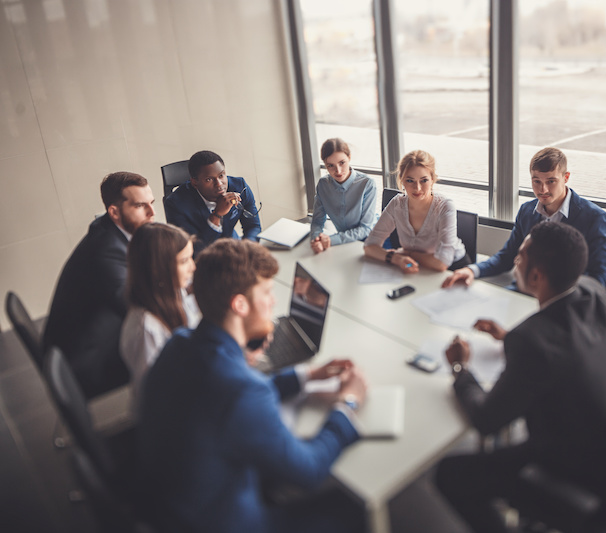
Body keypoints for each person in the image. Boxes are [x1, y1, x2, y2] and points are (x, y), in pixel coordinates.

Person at [137, 238, 367, 533]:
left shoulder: (180, 343)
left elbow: (226, 394)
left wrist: (306, 376)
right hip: (222, 521)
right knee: (352, 509)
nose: (273, 301)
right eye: (268, 292)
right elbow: (309, 471)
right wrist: (347, 404)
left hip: (170, 508)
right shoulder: (242, 389)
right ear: (240, 304)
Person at [435, 222, 606, 533]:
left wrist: (460, 368)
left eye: (520, 257)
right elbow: (567, 350)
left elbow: (486, 420)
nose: (515, 262)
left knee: (449, 474)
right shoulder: (594, 292)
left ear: (536, 276)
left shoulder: (531, 340)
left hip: (577, 472)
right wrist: (508, 338)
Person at [44, 172, 156, 398]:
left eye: (151, 204)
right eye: (140, 206)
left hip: (89, 338)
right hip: (88, 362)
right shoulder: (106, 250)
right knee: (173, 355)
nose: (152, 214)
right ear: (114, 212)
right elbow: (138, 307)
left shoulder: (109, 230)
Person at [442, 146, 606, 290]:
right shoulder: (527, 210)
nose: (543, 189)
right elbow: (507, 256)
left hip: (566, 300)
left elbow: (599, 278)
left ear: (565, 177)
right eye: (536, 181)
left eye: (551, 181)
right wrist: (472, 270)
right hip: (523, 291)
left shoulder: (595, 218)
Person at [119, 223, 200, 405]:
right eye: (184, 261)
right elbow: (155, 396)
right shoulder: (147, 329)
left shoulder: (175, 293)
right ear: (159, 268)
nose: (192, 267)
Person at [364, 150, 468, 272]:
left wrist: (409, 254)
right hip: (418, 266)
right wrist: (397, 259)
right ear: (402, 180)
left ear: (433, 179)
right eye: (410, 180)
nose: (417, 188)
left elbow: (442, 263)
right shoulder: (397, 204)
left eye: (424, 180)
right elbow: (369, 246)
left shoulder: (445, 206)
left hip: (453, 268)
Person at [164, 150, 262, 251]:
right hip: (204, 257)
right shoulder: (176, 205)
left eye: (221, 175)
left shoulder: (240, 187)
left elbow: (253, 226)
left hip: (233, 246)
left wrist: (247, 249)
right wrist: (216, 215)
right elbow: (192, 250)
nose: (219, 184)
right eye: (209, 179)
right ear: (194, 183)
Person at [310, 138, 377, 253]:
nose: (338, 171)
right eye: (330, 165)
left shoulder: (367, 184)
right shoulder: (323, 184)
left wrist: (331, 240)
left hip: (373, 240)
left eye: (342, 163)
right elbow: (317, 221)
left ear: (349, 157)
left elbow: (366, 228)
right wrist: (316, 239)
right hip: (346, 243)